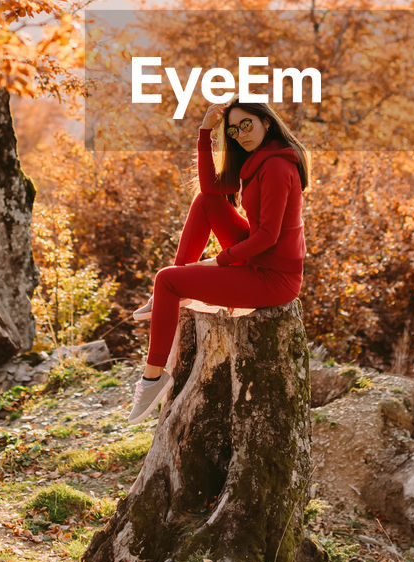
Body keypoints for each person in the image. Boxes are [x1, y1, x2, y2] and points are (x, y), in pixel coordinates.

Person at [127, 99, 310, 422]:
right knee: (206, 201)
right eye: (234, 129)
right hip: (258, 259)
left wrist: (218, 262)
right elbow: (212, 186)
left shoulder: (278, 166)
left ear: (266, 122)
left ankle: (153, 377)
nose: (240, 134)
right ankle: (169, 294)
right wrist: (204, 133)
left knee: (167, 278)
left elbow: (268, 235)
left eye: (247, 125)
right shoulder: (258, 160)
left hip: (273, 278)